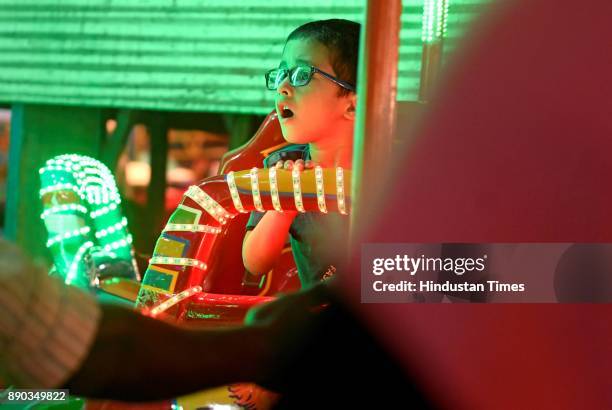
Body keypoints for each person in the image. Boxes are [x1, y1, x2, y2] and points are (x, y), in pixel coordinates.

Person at [242, 19, 359, 286]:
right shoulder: (283, 166)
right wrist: (284, 207)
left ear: (352, 106)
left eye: (302, 74)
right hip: (316, 316)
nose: (283, 86)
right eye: (282, 73)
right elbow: (255, 263)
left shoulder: (397, 171)